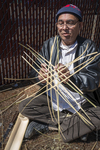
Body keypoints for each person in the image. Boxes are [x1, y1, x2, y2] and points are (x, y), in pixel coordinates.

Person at [19, 4, 100, 142]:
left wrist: (71, 79)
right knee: (24, 106)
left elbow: (93, 80)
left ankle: (50, 126)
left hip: (80, 102)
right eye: (60, 23)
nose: (64, 27)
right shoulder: (49, 44)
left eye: (70, 23)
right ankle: (73, 127)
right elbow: (33, 72)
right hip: (54, 98)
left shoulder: (89, 47)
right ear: (57, 25)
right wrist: (39, 77)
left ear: (80, 26)